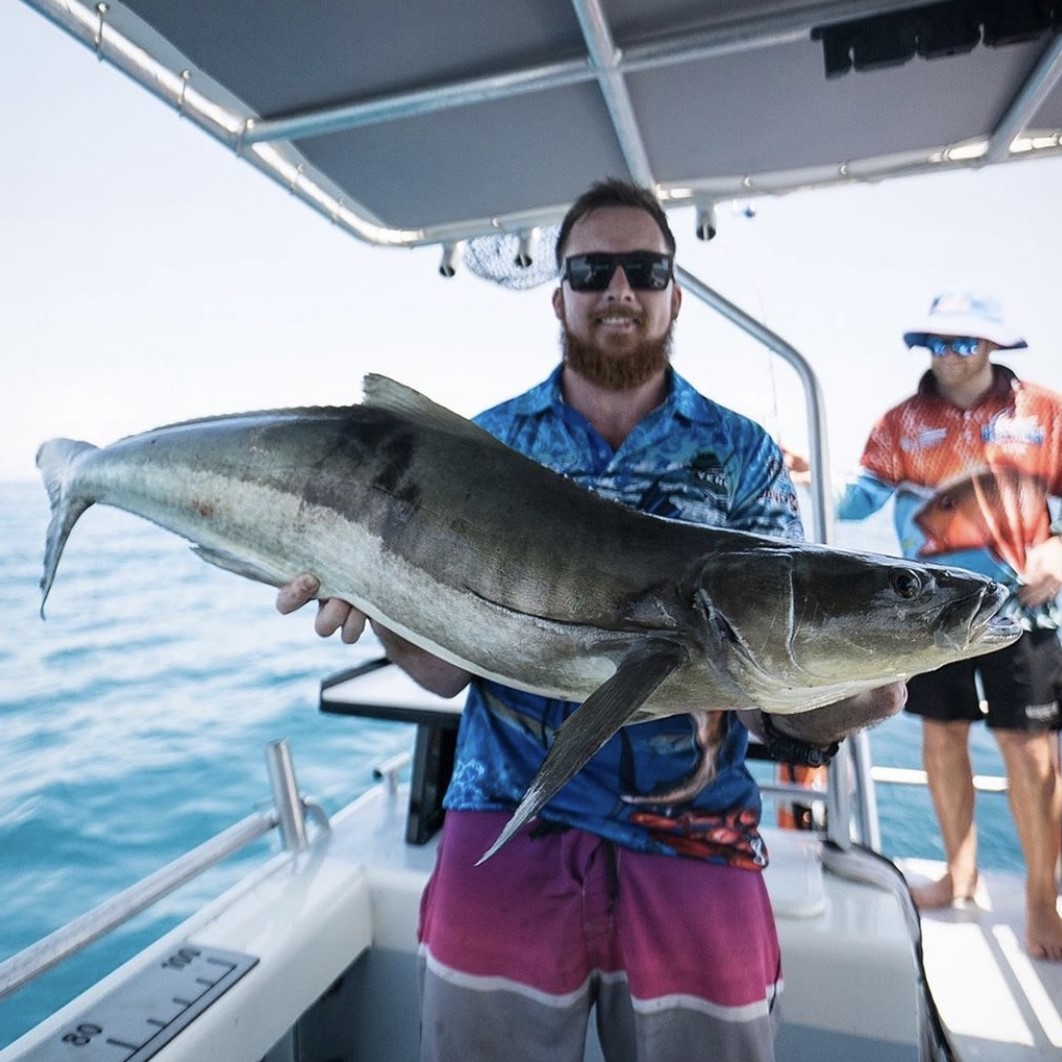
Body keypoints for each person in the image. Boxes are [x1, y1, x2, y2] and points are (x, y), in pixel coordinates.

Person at [277, 178, 906, 1061]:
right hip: (505, 818)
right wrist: (378, 601)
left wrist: (825, 715)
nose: (620, 290)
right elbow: (446, 673)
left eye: (645, 270)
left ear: (675, 294)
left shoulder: (743, 458)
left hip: (698, 840)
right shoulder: (480, 449)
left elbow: (772, 692)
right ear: (560, 293)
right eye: (594, 269)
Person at [836, 291, 1062, 962]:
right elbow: (858, 498)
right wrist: (799, 468)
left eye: (963, 343)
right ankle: (958, 873)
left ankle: (1041, 901)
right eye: (934, 342)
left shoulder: (1046, 413)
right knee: (941, 737)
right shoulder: (901, 422)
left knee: (1031, 751)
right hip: (929, 614)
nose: (947, 356)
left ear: (994, 346)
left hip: (1024, 608)